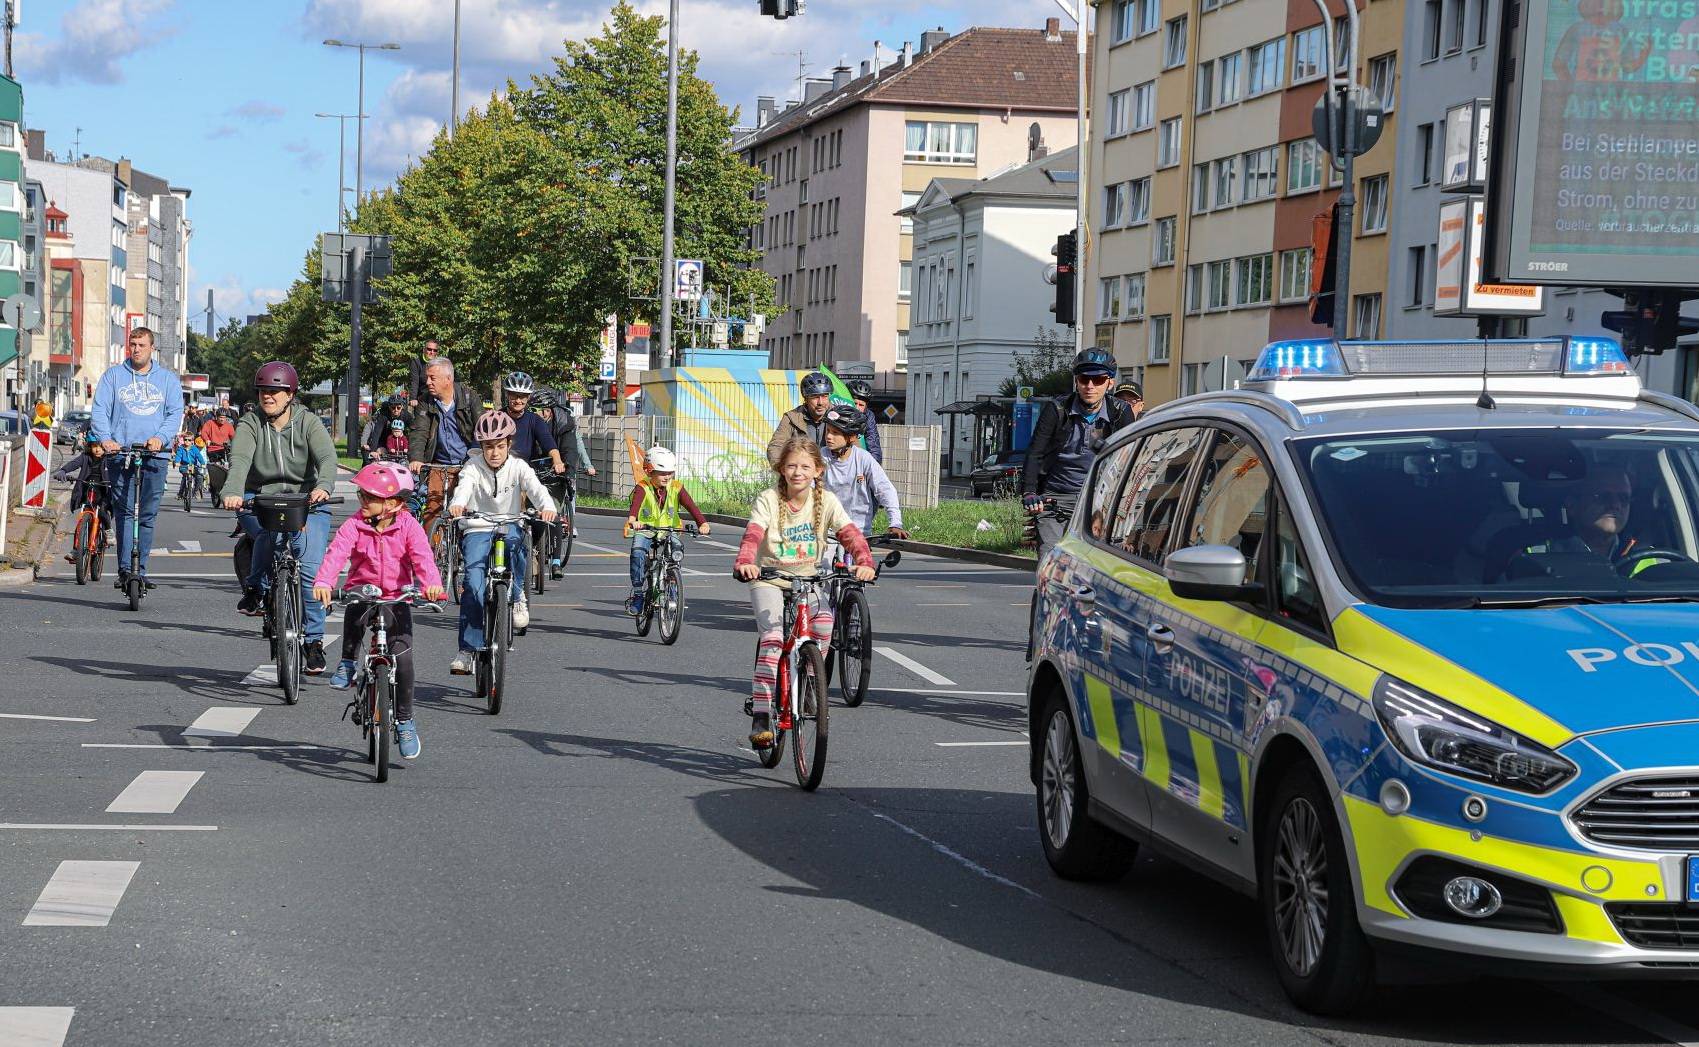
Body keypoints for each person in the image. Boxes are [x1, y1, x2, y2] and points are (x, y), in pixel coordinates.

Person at [734, 438, 874, 747]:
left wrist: (864, 561)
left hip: (808, 579)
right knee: (773, 640)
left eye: (805, 467)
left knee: (824, 625)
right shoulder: (769, 499)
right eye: (791, 466)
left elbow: (850, 534)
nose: (798, 472)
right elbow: (753, 534)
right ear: (781, 469)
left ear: (817, 470)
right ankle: (761, 714)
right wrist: (746, 562)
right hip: (769, 578)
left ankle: (811, 685)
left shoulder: (827, 501)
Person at [312, 462, 445, 761]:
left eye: (369, 497)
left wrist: (432, 585)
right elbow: (337, 553)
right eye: (362, 494)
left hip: (398, 597)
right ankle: (347, 662)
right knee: (354, 610)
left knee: (404, 659)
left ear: (392, 503)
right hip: (364, 590)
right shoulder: (355, 524)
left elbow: (423, 557)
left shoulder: (408, 526)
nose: (362, 500)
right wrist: (324, 582)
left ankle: (405, 721)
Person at [220, 361, 340, 675]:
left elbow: (327, 458)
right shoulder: (250, 423)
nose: (267, 396)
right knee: (265, 534)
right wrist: (232, 491)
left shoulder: (308, 422)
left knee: (310, 569)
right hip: (260, 498)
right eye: (263, 391)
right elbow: (240, 459)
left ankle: (313, 641)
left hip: (307, 501)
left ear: (290, 395)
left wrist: (324, 487)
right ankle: (256, 589)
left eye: (275, 391)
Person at [446, 410, 557, 675]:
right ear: (481, 447)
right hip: (477, 527)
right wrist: (458, 504)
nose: (494, 453)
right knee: (473, 586)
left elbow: (536, 488)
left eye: (499, 446)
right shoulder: (473, 467)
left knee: (518, 545)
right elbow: (464, 487)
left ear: (509, 444)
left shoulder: (519, 467)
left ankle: (517, 596)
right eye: (488, 447)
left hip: (509, 524)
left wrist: (547, 507)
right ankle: (467, 651)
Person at [1020, 348, 1135, 561]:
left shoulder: (1120, 412)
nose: (1090, 386)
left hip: (1099, 501)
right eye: (1084, 379)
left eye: (1098, 380)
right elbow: (1035, 452)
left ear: (1110, 383)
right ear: (1076, 381)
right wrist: (1029, 491)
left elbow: (1130, 458)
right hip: (1056, 499)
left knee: (1094, 565)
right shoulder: (1057, 409)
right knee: (1051, 562)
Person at [90, 326, 183, 590]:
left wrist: (160, 438)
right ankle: (124, 570)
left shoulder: (167, 380)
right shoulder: (114, 377)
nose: (136, 349)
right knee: (125, 512)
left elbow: (175, 413)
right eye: (132, 344)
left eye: (142, 345)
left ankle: (140, 570)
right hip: (121, 454)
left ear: (152, 348)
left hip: (155, 455)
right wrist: (106, 439)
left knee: (147, 515)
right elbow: (100, 410)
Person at [620, 446, 710, 616]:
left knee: (676, 552)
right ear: (649, 471)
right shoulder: (643, 487)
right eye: (662, 473)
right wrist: (633, 521)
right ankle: (638, 595)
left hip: (669, 529)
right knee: (637, 553)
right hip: (646, 529)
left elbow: (691, 506)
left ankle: (672, 586)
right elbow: (635, 508)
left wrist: (702, 523)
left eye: (670, 473)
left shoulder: (676, 487)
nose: (667, 477)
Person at [407, 355, 478, 534]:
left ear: (448, 379)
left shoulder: (469, 397)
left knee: (468, 510)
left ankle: (464, 544)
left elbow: (481, 430)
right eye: (427, 377)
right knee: (433, 509)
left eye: (432, 378)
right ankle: (431, 549)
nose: (428, 382)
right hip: (439, 465)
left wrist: (475, 457)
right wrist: (416, 458)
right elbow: (419, 432)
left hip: (467, 464)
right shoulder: (425, 401)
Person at [820, 405, 907, 540]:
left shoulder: (864, 458)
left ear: (852, 437)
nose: (829, 436)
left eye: (835, 432)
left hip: (859, 532)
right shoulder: (820, 457)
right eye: (828, 431)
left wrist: (895, 522)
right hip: (828, 534)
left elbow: (885, 490)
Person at [532, 387, 595, 559]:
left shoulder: (565, 423)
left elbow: (573, 448)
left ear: (548, 411)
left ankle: (556, 560)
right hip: (535, 466)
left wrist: (568, 469)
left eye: (537, 410)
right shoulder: (531, 422)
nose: (534, 414)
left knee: (556, 509)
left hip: (558, 466)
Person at [498, 372, 566, 477]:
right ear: (507, 394)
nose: (518, 400)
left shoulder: (535, 420)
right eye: (514, 395)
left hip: (527, 474)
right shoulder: (496, 418)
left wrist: (557, 460)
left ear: (528, 397)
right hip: (501, 472)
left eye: (523, 396)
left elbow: (548, 442)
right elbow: (479, 447)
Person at [767, 371, 834, 465]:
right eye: (815, 397)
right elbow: (776, 446)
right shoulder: (791, 418)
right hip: (801, 470)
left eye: (824, 396)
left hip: (832, 470)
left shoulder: (838, 415)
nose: (820, 402)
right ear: (805, 399)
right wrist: (782, 468)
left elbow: (852, 445)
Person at [54, 436, 112, 544]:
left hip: (103, 490)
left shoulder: (109, 459)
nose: (97, 449)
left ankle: (108, 530)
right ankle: (76, 547)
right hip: (87, 488)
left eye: (101, 447)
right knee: (83, 516)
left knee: (102, 511)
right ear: (90, 447)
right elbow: (74, 463)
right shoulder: (85, 457)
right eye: (94, 446)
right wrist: (63, 470)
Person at [363, 395, 411, 461]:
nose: (396, 410)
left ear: (402, 407)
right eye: (393, 408)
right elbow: (377, 433)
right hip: (384, 440)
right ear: (389, 407)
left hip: (400, 442)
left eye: (398, 408)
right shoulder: (383, 415)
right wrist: (373, 450)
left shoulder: (406, 415)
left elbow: (414, 430)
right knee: (378, 454)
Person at [846, 378, 883, 463]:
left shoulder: (868, 416)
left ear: (866, 407)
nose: (857, 408)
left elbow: (873, 443)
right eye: (854, 403)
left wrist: (874, 465)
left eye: (861, 405)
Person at [172, 435, 208, 501]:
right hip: (184, 466)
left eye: (189, 440)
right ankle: (180, 493)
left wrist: (202, 463)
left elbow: (199, 456)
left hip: (193, 466)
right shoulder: (181, 448)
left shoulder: (194, 448)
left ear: (192, 441)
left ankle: (196, 491)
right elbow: (178, 456)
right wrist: (177, 462)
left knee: (199, 477)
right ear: (183, 440)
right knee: (184, 477)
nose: (187, 441)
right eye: (185, 439)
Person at [407, 340, 439, 409]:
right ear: (424, 350)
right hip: (422, 398)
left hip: (437, 397)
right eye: (429, 349)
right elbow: (414, 382)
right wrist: (413, 398)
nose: (432, 352)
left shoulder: (440, 363)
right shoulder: (416, 362)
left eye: (435, 350)